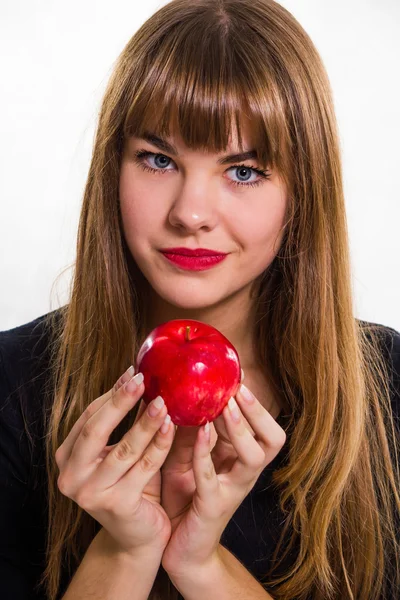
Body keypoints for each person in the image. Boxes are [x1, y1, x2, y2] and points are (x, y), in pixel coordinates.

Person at [1, 0, 399, 598]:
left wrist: (201, 563)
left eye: (243, 171)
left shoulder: (387, 386)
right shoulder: (13, 384)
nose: (189, 214)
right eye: (158, 160)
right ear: (114, 168)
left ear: (304, 191)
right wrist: (128, 546)